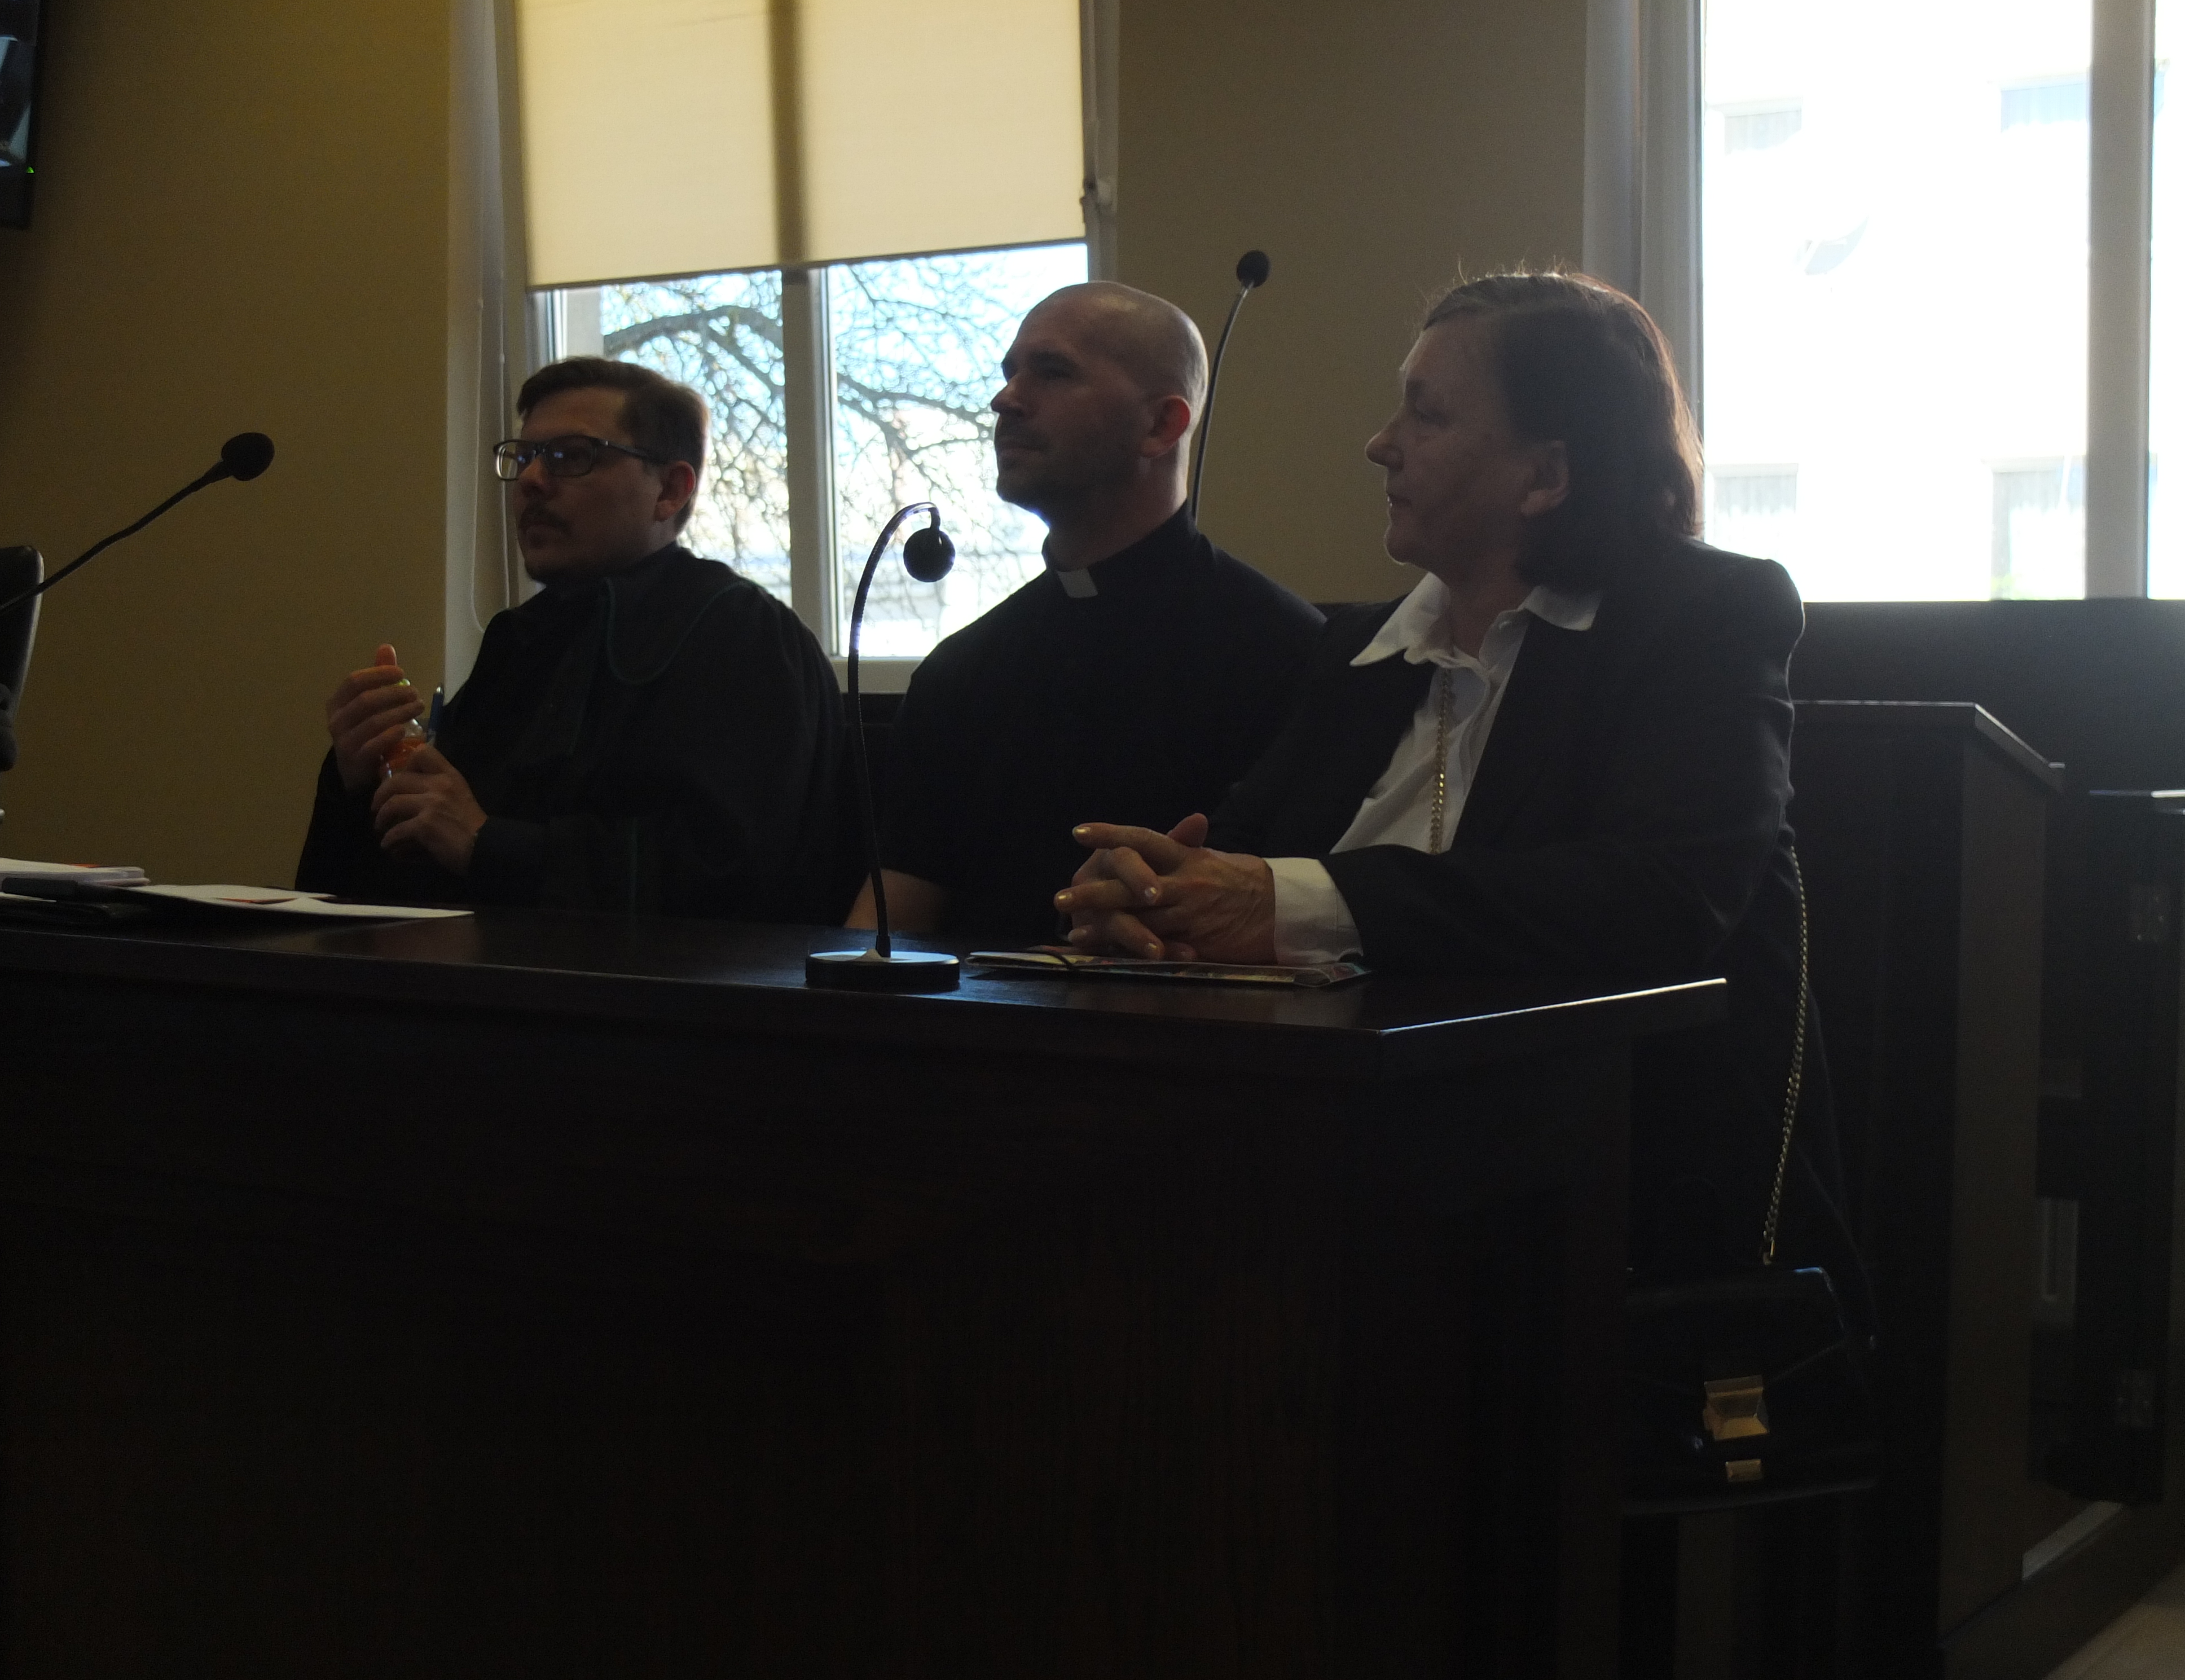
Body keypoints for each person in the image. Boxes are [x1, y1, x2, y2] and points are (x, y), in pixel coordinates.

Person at [1057, 271, 1844, 1280]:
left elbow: (1662, 898)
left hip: (1603, 1208)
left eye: (1425, 415)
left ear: (1544, 475)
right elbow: (1240, 860)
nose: (1380, 444)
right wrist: (1151, 900)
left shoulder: (1706, 618)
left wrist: (1291, 904)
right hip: (1323, 1173)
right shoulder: (1357, 651)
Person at [848, 281, 1324, 945]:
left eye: (1052, 372)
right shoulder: (961, 670)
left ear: (1161, 426)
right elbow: (892, 915)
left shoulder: (1290, 656)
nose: (1006, 399)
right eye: (1010, 373)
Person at [296, 357, 841, 920]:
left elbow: (732, 878)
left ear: (670, 490)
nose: (532, 480)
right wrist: (360, 780)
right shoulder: (519, 639)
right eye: (525, 457)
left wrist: (489, 844)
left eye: (572, 456)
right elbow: (416, 865)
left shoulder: (742, 632)